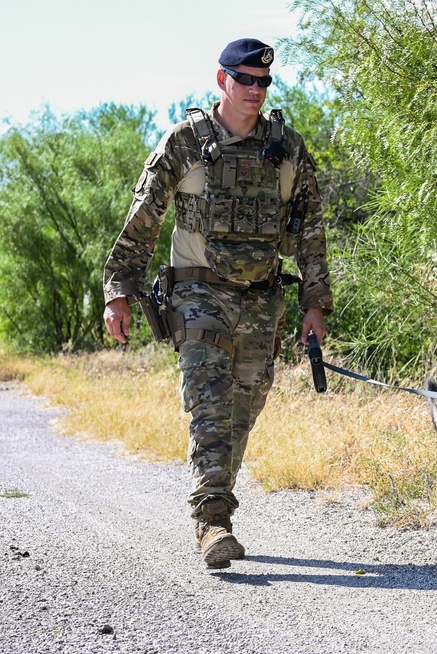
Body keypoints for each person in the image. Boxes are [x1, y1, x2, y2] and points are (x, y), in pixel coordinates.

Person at [102, 38, 333, 569]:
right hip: (197, 294)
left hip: (262, 299)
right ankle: (212, 521)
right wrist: (119, 290)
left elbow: (312, 234)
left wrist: (314, 305)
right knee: (209, 400)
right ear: (221, 80)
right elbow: (143, 223)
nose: (255, 89)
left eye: (263, 81)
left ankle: (218, 502)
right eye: (244, 78)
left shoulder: (288, 149)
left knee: (243, 408)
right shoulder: (185, 143)